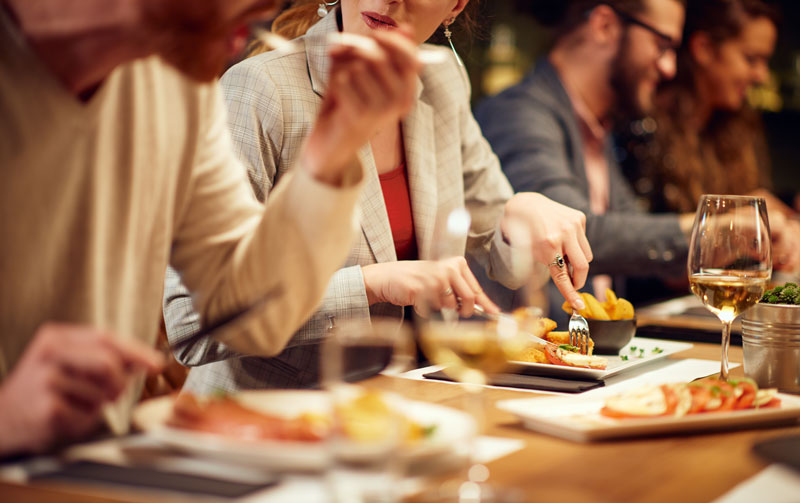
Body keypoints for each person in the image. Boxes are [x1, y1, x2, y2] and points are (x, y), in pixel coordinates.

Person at [0, 0, 424, 456]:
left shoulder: (174, 82)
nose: (241, 40)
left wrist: (330, 152)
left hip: (94, 477)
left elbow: (244, 315)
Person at [163, 0, 595, 393]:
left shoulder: (441, 75)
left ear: (456, 6)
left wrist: (520, 215)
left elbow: (502, 256)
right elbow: (192, 323)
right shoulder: (260, 89)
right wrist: (373, 285)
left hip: (400, 407)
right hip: (262, 424)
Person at [476, 0, 690, 318]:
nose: (669, 66)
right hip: (527, 355)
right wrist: (710, 231)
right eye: (662, 45)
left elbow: (633, 230)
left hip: (599, 353)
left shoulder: (597, 125)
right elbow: (580, 234)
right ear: (604, 25)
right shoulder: (518, 112)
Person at [632, 0, 800, 272]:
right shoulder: (644, 124)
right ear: (704, 49)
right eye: (751, 59)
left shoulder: (737, 125)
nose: (761, 76)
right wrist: (734, 223)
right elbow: (637, 247)